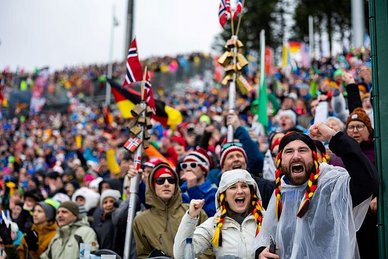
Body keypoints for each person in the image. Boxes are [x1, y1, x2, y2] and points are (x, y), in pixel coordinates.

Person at [255, 123, 378, 259]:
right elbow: (266, 237)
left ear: (314, 158)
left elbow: (367, 181)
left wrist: (333, 136)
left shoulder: (332, 185)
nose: (296, 156)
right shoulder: (280, 192)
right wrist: (260, 252)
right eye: (289, 151)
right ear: (280, 160)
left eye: (302, 150)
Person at [173, 169, 264, 258]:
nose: (240, 191)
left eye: (244, 186)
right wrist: (190, 217)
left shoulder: (266, 220)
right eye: (233, 187)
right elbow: (181, 255)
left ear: (252, 192)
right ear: (224, 196)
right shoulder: (213, 225)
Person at [132, 162, 211, 258]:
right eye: (160, 180)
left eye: (171, 180)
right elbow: (143, 255)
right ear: (152, 185)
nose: (166, 184)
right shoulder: (141, 220)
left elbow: (209, 248)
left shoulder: (194, 211)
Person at [180, 148, 218, 216]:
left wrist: (192, 189)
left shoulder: (214, 192)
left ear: (204, 170)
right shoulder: (180, 191)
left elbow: (210, 216)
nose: (188, 169)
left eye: (193, 165)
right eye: (184, 166)